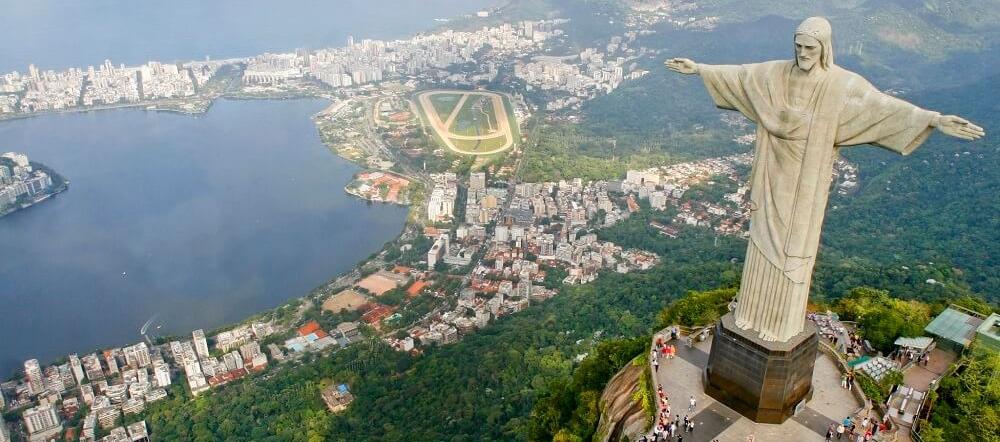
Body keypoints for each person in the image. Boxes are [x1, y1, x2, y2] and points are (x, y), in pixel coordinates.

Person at [664, 16, 984, 343]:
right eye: (798, 46)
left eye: (810, 48)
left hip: (806, 182)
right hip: (773, 172)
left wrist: (934, 119)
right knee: (761, 240)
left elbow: (882, 107)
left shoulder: (841, 85)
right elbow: (743, 76)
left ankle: (780, 326)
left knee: (794, 249)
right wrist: (700, 68)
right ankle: (749, 315)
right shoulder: (775, 73)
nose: (802, 53)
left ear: (824, 48)